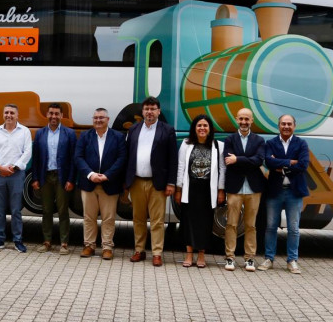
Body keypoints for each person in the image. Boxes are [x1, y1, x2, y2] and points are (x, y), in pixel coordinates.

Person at [123, 96, 177, 267]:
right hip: (137, 181)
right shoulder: (134, 129)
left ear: (158, 111)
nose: (149, 112)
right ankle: (139, 250)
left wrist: (171, 183)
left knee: (157, 220)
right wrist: (126, 181)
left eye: (153, 109)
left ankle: (157, 252)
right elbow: (127, 156)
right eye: (146, 109)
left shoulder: (167, 130)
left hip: (157, 183)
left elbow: (172, 159)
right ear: (143, 111)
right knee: (138, 218)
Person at [74, 108, 126, 260]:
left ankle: (107, 247)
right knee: (88, 217)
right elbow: (78, 157)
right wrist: (91, 175)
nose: (98, 120)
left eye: (101, 118)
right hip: (89, 183)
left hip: (109, 184)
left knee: (108, 218)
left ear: (108, 119)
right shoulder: (85, 136)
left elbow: (122, 158)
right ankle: (89, 246)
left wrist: (107, 175)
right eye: (95, 117)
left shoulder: (118, 137)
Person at [260, 114, 309, 274]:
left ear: (294, 126)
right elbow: (268, 162)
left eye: (289, 124)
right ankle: (269, 258)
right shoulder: (271, 143)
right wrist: (289, 162)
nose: (286, 126)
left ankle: (292, 260)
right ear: (278, 126)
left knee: (293, 228)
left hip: (294, 192)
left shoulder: (301, 143)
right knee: (270, 227)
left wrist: (280, 164)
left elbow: (303, 165)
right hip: (275, 191)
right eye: (283, 124)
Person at [176, 114, 226, 268]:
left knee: (205, 223)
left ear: (210, 129)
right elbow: (181, 166)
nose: (202, 128)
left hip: (207, 191)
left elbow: (222, 170)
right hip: (190, 190)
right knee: (188, 222)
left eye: (205, 125)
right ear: (194, 129)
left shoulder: (218, 146)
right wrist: (178, 189)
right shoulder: (186, 144)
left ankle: (202, 255)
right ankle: (189, 254)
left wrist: (220, 190)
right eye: (199, 126)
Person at [222, 107, 266, 272]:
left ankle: (249, 259)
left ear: (252, 120)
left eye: (247, 119)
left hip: (254, 189)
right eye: (241, 119)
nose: (244, 122)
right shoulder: (230, 139)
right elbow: (228, 160)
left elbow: (258, 160)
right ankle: (230, 257)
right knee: (231, 224)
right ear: (236, 119)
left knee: (251, 225)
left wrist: (238, 159)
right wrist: (247, 160)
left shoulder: (259, 140)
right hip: (234, 188)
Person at [31, 103, 77, 254]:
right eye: (51, 113)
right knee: (47, 210)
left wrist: (71, 179)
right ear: (47, 115)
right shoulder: (40, 134)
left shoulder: (69, 134)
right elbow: (36, 158)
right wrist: (35, 178)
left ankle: (64, 243)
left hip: (62, 177)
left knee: (63, 211)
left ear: (62, 116)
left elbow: (73, 159)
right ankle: (47, 241)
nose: (54, 116)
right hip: (45, 177)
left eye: (57, 114)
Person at [0, 104, 32, 253]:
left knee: (16, 209)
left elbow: (27, 152)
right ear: (3, 114)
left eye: (12, 113)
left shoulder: (24, 131)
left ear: (17, 115)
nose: (9, 115)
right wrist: (0, 167)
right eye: (6, 112)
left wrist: (14, 167)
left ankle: (18, 240)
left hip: (16, 175)